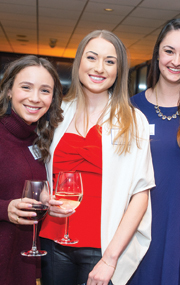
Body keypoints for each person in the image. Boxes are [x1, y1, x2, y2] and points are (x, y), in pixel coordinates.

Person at [39, 30, 155, 285]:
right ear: (79, 61)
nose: (99, 68)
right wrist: (44, 195)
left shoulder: (133, 121)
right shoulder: (56, 113)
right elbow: (38, 171)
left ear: (119, 69)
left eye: (110, 61)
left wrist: (110, 258)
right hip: (54, 239)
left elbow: (140, 195)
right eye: (92, 57)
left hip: (102, 247)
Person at [127, 18, 180, 285]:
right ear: (157, 53)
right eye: (169, 51)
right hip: (133, 222)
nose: (176, 61)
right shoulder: (129, 109)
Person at [0, 55, 63, 285]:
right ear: (9, 90)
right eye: (26, 87)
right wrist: (4, 208)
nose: (35, 98)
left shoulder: (39, 139)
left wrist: (46, 200)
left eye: (45, 91)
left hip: (23, 264)